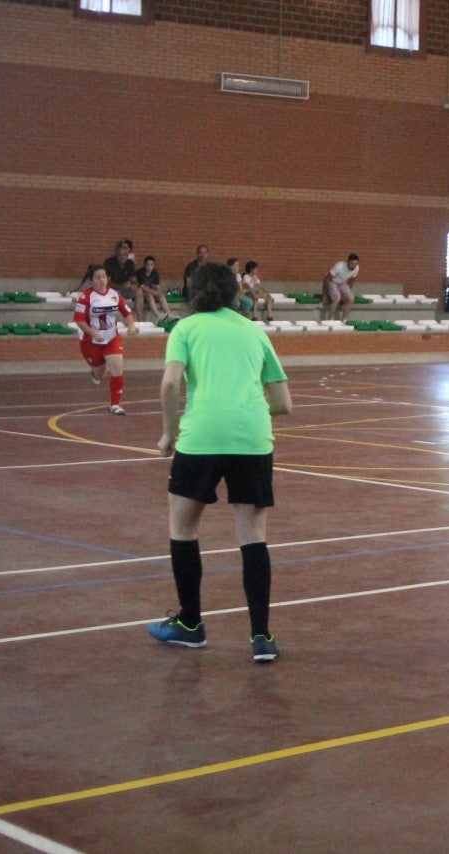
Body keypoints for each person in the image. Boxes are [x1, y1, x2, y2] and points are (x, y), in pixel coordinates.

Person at [147, 261, 293, 663]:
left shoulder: (185, 329)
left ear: (194, 293)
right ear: (234, 293)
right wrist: (248, 410)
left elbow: (171, 383)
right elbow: (284, 403)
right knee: (253, 535)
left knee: (182, 528)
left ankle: (191, 625)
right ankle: (261, 636)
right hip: (252, 439)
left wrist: (167, 433)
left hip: (202, 438)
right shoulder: (253, 331)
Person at [73, 263, 136, 415]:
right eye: (97, 277)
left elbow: (127, 312)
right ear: (91, 281)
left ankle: (115, 404)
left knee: (117, 367)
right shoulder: (85, 298)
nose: (101, 280)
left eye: (103, 277)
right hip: (91, 341)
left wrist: (131, 326)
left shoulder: (114, 295)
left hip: (112, 338)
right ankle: (96, 373)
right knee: (100, 373)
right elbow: (79, 320)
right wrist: (94, 334)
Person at [322, 253, 359, 322]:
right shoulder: (340, 266)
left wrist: (345, 295)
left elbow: (352, 281)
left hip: (342, 283)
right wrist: (325, 295)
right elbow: (327, 279)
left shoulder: (356, 268)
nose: (353, 266)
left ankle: (344, 319)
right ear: (347, 262)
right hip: (332, 281)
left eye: (355, 264)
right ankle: (330, 319)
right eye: (351, 263)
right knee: (337, 297)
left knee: (351, 298)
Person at [103, 239, 139, 308]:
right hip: (113, 290)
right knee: (117, 297)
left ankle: (139, 318)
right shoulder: (109, 262)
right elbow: (106, 283)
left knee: (139, 292)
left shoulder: (130, 263)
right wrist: (121, 286)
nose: (123, 257)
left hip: (125, 290)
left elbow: (134, 280)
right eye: (120, 254)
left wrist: (134, 285)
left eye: (125, 254)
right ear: (117, 253)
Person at [137, 255, 174, 322]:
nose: (149, 267)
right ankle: (158, 315)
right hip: (141, 293)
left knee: (161, 295)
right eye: (147, 264)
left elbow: (158, 286)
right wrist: (154, 292)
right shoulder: (140, 272)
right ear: (144, 265)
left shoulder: (155, 273)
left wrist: (159, 292)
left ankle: (169, 314)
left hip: (151, 291)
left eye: (151, 265)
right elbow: (142, 287)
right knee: (149, 295)